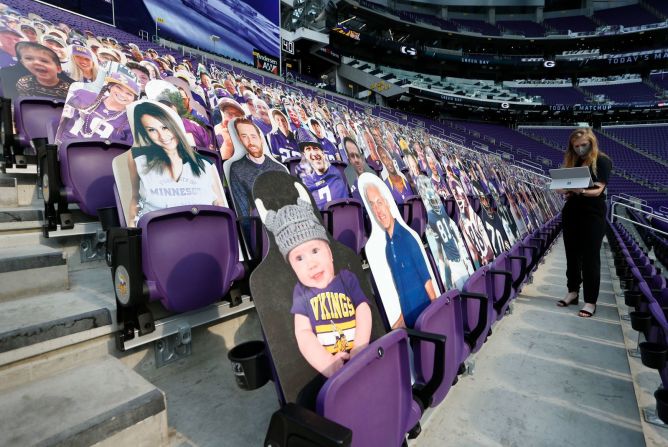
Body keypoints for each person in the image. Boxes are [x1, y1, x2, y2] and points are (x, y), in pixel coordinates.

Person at [259, 192, 372, 378]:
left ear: (330, 253)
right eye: (299, 258)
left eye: (315, 250)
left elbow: (363, 309)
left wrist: (360, 348)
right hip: (333, 370)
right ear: (292, 268)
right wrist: (328, 364)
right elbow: (303, 333)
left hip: (361, 357)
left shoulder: (347, 278)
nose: (310, 263)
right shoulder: (301, 292)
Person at [126, 101, 225, 226]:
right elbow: (136, 198)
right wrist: (132, 229)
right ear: (145, 133)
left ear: (174, 125)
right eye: (152, 130)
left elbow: (219, 207)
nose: (162, 136)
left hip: (202, 235)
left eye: (165, 127)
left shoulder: (206, 165)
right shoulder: (138, 159)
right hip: (156, 237)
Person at [556, 128, 612, 318]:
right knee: (572, 255)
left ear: (591, 143)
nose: (580, 149)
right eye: (576, 146)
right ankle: (572, 291)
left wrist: (580, 191)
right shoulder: (573, 162)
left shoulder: (602, 161)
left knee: (590, 259)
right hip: (572, 212)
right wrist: (562, 189)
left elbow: (598, 190)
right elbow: (568, 189)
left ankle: (590, 301)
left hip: (592, 214)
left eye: (583, 145)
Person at [364, 182, 437, 328]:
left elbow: (427, 282)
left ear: (387, 203)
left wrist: (436, 316)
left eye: (379, 202)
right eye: (373, 205)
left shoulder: (407, 237)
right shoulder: (387, 249)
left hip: (426, 319)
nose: (378, 210)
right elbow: (403, 290)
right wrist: (400, 320)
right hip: (411, 324)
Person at [228, 117, 286, 239]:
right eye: (244, 136)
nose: (250, 141)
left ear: (260, 138)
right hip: (262, 234)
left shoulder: (279, 168)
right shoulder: (237, 169)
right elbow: (243, 215)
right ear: (239, 139)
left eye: (253, 136)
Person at [55, 71, 139, 144]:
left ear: (134, 100)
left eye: (129, 94)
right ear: (110, 86)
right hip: (62, 145)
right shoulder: (84, 95)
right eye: (119, 87)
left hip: (94, 159)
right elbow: (58, 118)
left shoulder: (131, 123)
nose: (123, 94)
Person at [296, 128, 349, 209]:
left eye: (315, 148)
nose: (313, 153)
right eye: (308, 149)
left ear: (323, 153)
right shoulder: (306, 180)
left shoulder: (336, 172)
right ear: (305, 155)